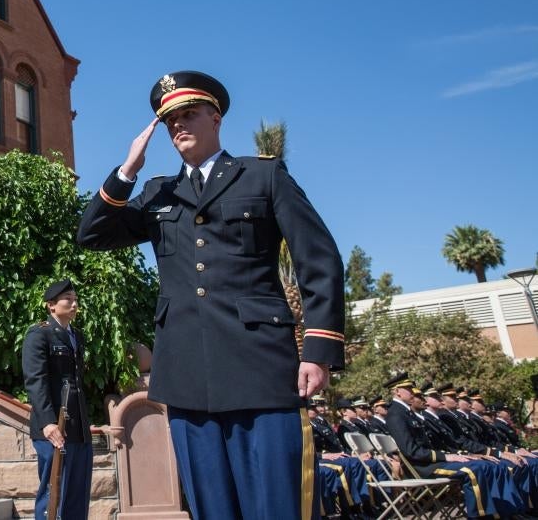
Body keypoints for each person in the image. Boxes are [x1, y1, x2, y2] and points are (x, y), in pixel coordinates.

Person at [77, 71, 345, 519]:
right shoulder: (157, 191)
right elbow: (92, 235)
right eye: (170, 120)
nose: (178, 125)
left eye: (189, 114)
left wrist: (317, 351)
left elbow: (318, 260)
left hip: (261, 370)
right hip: (186, 378)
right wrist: (127, 171)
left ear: (215, 117)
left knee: (277, 505)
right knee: (211, 509)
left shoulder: (263, 175)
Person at [383, 373, 523, 518]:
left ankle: (503, 514)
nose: (413, 392)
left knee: (485, 465)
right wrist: (446, 456)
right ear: (397, 391)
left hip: (430, 462)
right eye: (408, 389)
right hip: (421, 467)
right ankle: (480, 516)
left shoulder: (406, 412)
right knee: (472, 471)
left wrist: (456, 455)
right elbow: (411, 451)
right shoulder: (396, 414)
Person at [22, 279, 92, 520]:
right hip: (53, 427)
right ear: (51, 305)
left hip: (77, 428)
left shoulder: (76, 336)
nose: (74, 304)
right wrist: (48, 422)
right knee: (53, 493)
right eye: (68, 300)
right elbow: (35, 381)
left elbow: (76, 383)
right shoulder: (39, 334)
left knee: (77, 493)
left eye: (75, 299)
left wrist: (85, 423)